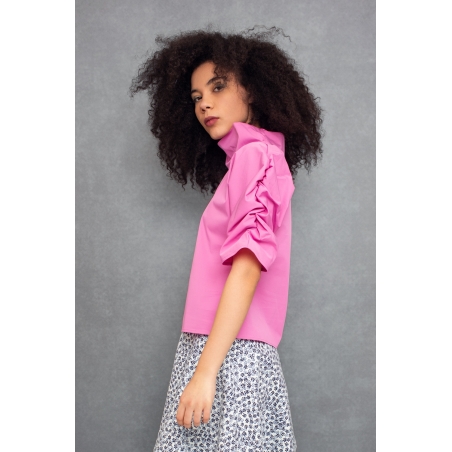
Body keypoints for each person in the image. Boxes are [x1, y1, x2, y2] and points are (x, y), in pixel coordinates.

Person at [129, 26, 323, 451]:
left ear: (253, 90)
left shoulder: (257, 156)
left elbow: (247, 269)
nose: (205, 104)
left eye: (217, 87)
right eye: (197, 96)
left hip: (230, 356)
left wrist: (205, 372)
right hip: (221, 349)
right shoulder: (252, 159)